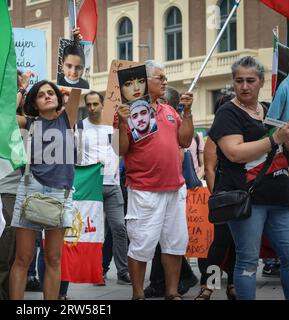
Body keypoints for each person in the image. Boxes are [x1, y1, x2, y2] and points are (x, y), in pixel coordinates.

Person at [209, 56, 289, 300]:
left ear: (262, 82)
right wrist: (274, 139)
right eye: (239, 81)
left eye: (251, 80)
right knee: (247, 261)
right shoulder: (227, 113)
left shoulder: (270, 109)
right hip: (247, 198)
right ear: (233, 83)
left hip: (280, 196)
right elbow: (234, 153)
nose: (245, 86)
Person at [114, 60, 195, 300]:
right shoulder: (127, 113)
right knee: (141, 244)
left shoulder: (169, 110)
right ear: (145, 80)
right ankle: (138, 294)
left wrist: (187, 113)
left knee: (175, 244)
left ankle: (172, 293)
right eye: (160, 77)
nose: (165, 82)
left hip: (175, 189)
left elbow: (185, 141)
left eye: (164, 78)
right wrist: (120, 123)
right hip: (144, 191)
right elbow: (120, 150)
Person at [9, 80, 80, 300]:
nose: (47, 96)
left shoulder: (67, 119)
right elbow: (6, 115)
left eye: (51, 93)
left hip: (61, 193)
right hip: (31, 189)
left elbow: (76, 81)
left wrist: (76, 47)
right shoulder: (30, 123)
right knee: (23, 258)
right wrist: (21, 89)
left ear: (59, 98)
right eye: (41, 95)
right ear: (35, 103)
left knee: (54, 259)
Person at [0, 70, 33, 300]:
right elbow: (6, 118)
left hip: (22, 195)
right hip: (4, 194)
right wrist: (22, 88)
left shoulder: (25, 115)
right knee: (1, 259)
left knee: (14, 260)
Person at [78, 90, 131, 286]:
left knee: (119, 228)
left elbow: (121, 151)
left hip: (113, 185)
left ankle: (123, 272)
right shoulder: (80, 127)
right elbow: (75, 157)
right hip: (91, 187)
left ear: (102, 105)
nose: (91, 108)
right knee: (95, 231)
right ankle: (97, 271)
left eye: (95, 104)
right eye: (88, 105)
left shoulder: (112, 127)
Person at [194, 93, 237, 300]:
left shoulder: (245, 129)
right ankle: (208, 286)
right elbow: (209, 169)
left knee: (240, 243)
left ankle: (232, 285)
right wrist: (217, 197)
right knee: (220, 242)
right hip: (224, 195)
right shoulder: (216, 134)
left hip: (246, 193)